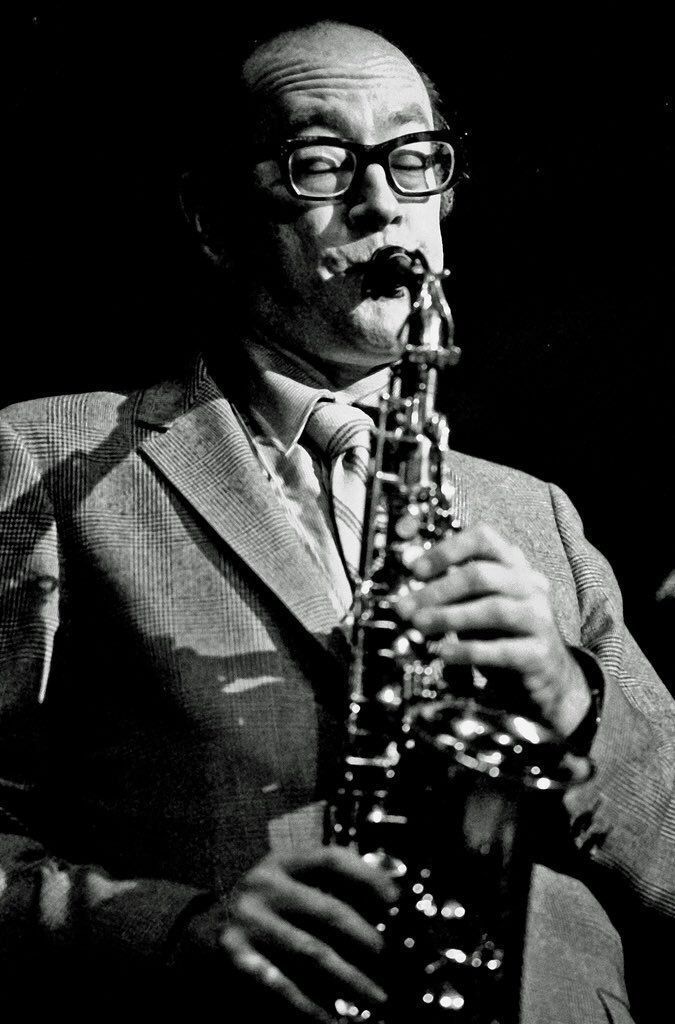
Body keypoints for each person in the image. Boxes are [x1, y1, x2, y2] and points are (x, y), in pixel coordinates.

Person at [0, 18, 673, 1023]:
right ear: (212, 215)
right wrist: (172, 933)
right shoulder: (42, 460)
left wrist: (574, 704)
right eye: (321, 163)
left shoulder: (541, 518)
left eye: (414, 161)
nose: (380, 202)